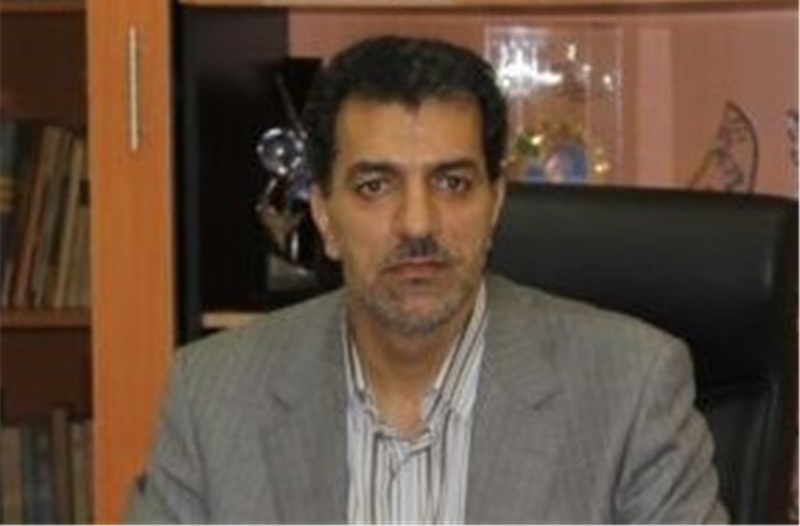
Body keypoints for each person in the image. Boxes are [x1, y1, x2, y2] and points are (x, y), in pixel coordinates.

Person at [125, 35, 728, 524]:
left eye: (452, 183)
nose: (418, 222)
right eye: (375, 186)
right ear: (325, 217)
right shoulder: (213, 397)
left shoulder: (630, 390)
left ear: (494, 206)